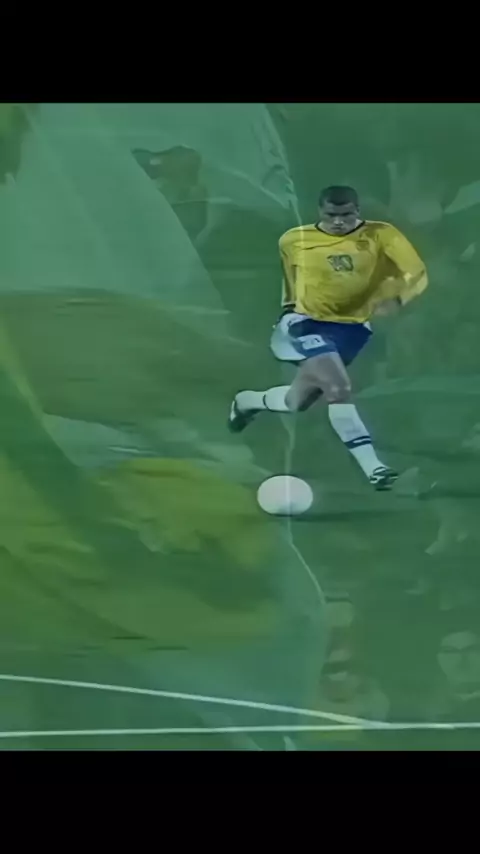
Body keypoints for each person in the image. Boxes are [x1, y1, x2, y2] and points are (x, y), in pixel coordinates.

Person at [228, 185, 428, 490]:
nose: (338, 221)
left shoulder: (382, 235)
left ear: (357, 211)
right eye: (331, 214)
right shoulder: (294, 239)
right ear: (320, 211)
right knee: (338, 387)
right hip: (305, 324)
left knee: (298, 401)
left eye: (346, 215)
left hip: (352, 329)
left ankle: (247, 401)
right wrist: (289, 313)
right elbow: (291, 283)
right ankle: (375, 469)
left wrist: (399, 299)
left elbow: (417, 272)